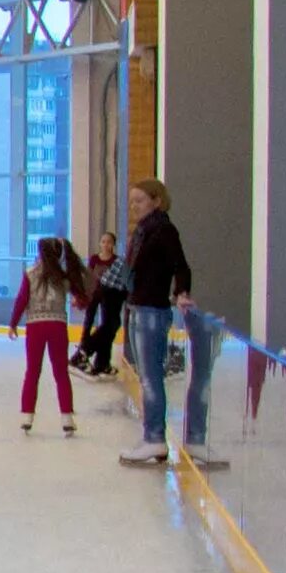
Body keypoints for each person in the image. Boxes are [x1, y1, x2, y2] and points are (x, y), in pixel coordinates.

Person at [118, 178, 225, 469]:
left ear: (157, 200)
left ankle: (155, 437)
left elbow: (181, 265)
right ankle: (154, 437)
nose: (134, 206)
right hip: (140, 309)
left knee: (151, 379)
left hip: (152, 312)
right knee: (147, 378)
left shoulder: (163, 229)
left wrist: (182, 294)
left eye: (139, 200)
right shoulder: (143, 232)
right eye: (132, 201)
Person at [8, 236, 87, 436]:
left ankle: (27, 415)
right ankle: (67, 417)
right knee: (61, 373)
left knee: (32, 372)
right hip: (58, 326)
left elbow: (22, 299)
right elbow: (82, 297)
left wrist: (13, 323)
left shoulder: (30, 273)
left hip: (35, 327)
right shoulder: (63, 276)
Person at [77, 229, 129, 376]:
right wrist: (83, 294)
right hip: (95, 294)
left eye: (109, 242)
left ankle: (101, 361)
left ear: (113, 244)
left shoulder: (116, 261)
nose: (106, 244)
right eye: (103, 241)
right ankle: (84, 349)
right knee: (91, 321)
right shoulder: (94, 259)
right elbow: (88, 277)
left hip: (109, 297)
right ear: (100, 243)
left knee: (109, 327)